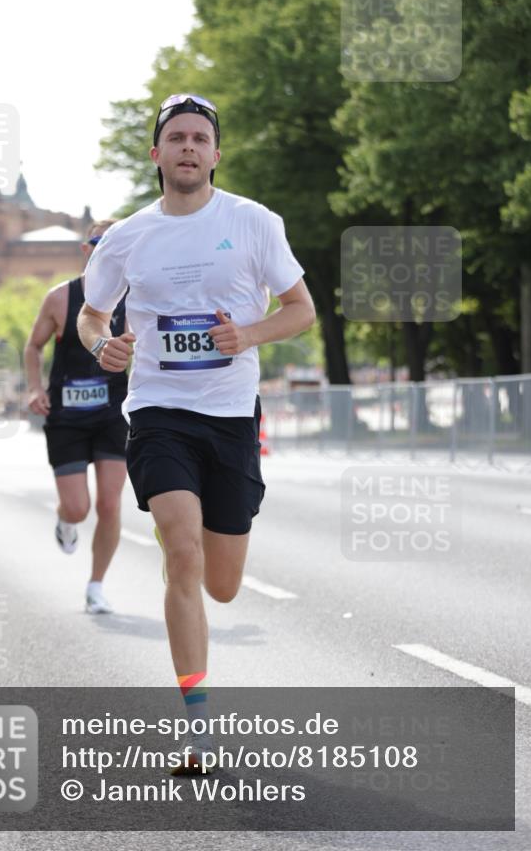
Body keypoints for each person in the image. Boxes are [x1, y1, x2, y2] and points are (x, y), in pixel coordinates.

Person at [78, 94, 316, 772]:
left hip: (231, 416)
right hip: (158, 412)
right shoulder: (126, 236)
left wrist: (250, 333)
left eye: (199, 138)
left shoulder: (251, 223)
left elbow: (299, 309)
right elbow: (92, 315)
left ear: (215, 154)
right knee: (178, 549)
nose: (187, 147)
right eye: (175, 137)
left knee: (222, 585)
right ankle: (196, 728)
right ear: (156, 154)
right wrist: (103, 348)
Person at [25, 221, 129, 614]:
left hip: (112, 415)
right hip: (66, 415)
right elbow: (33, 346)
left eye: (115, 244)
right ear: (87, 250)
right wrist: (35, 388)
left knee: (109, 505)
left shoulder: (134, 298)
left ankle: (96, 586)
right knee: (78, 508)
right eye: (100, 243)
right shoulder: (59, 298)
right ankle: (64, 519)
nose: (107, 250)